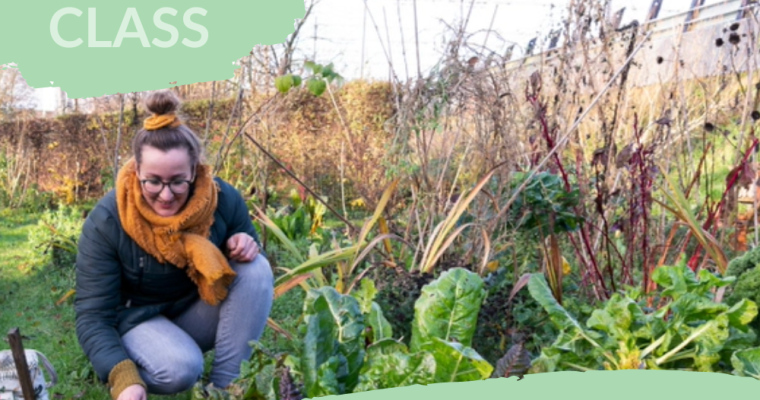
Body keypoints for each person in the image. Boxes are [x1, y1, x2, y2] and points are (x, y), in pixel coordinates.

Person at [74, 90, 274, 400]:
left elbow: (249, 253)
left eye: (178, 181)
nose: (165, 195)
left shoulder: (223, 200)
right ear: (136, 171)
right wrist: (123, 376)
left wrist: (246, 243)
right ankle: (153, 359)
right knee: (179, 368)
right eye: (153, 180)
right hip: (136, 320)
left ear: (194, 171)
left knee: (255, 269)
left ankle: (224, 389)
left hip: (193, 310)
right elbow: (93, 316)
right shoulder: (107, 221)